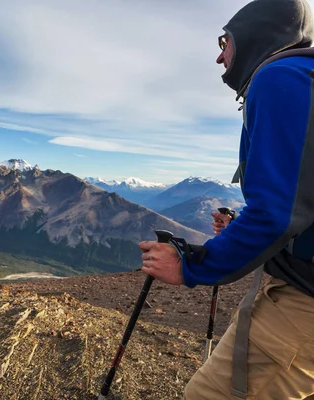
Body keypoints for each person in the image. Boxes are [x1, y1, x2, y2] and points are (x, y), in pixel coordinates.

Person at [139, 0, 314, 398]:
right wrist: (240, 229)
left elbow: (277, 215)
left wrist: (190, 266)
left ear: (257, 35)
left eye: (225, 41)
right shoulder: (306, 76)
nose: (220, 55)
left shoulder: (280, 76)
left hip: (301, 304)